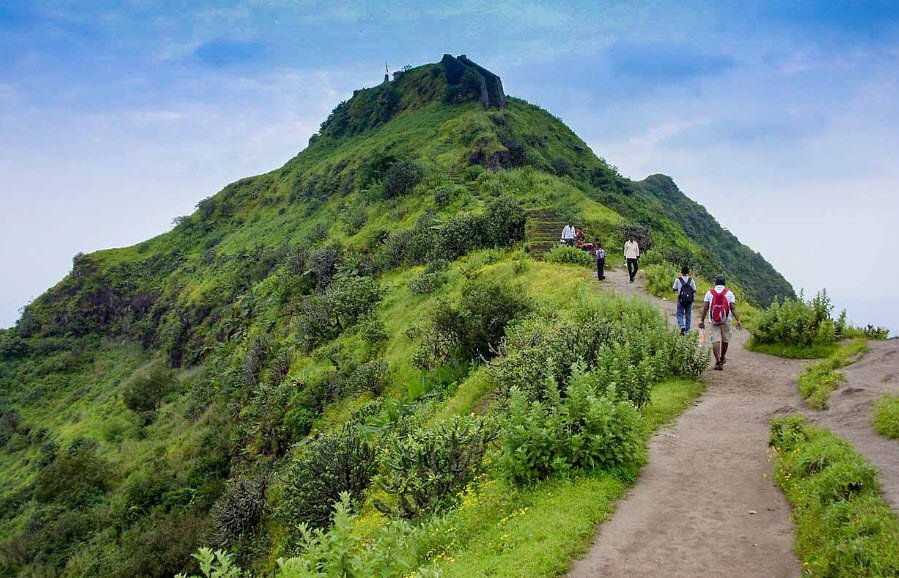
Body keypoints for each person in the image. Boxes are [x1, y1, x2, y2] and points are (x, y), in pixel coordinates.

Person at [698, 275, 743, 371]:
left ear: (715, 283)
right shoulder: (729, 293)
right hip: (726, 319)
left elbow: (705, 308)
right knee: (725, 339)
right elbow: (733, 307)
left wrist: (702, 320)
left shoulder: (709, 293)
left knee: (715, 340)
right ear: (724, 283)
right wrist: (738, 320)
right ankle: (722, 357)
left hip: (714, 320)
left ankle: (718, 361)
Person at [672, 266, 697, 335]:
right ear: (688, 272)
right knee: (688, 315)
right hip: (689, 301)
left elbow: (674, 289)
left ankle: (682, 326)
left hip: (681, 300)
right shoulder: (691, 280)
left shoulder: (678, 279)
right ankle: (687, 330)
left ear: (681, 272)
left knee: (679, 314)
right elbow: (694, 290)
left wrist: (678, 290)